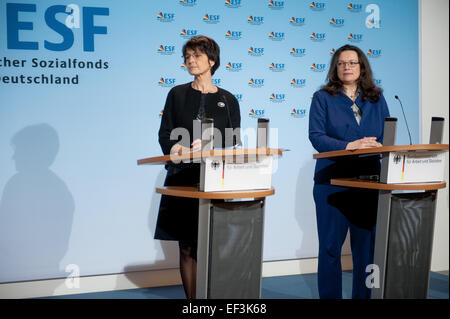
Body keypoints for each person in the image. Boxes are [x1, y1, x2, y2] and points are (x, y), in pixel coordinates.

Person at [155, 36, 241, 299]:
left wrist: (212, 142)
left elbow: (234, 139)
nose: (190, 61)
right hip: (183, 177)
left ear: (212, 61)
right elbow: (165, 134)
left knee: (212, 245)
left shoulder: (228, 98)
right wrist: (177, 149)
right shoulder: (177, 94)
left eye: (197, 56)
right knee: (187, 247)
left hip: (215, 178)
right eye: (187, 57)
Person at [308, 44, 390, 299]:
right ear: (335, 68)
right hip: (332, 182)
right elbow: (316, 136)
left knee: (366, 249)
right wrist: (349, 145)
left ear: (362, 66)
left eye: (352, 63)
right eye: (342, 63)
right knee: (330, 248)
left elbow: (388, 133)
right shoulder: (323, 97)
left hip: (368, 180)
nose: (347, 67)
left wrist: (381, 144)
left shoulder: (376, 98)